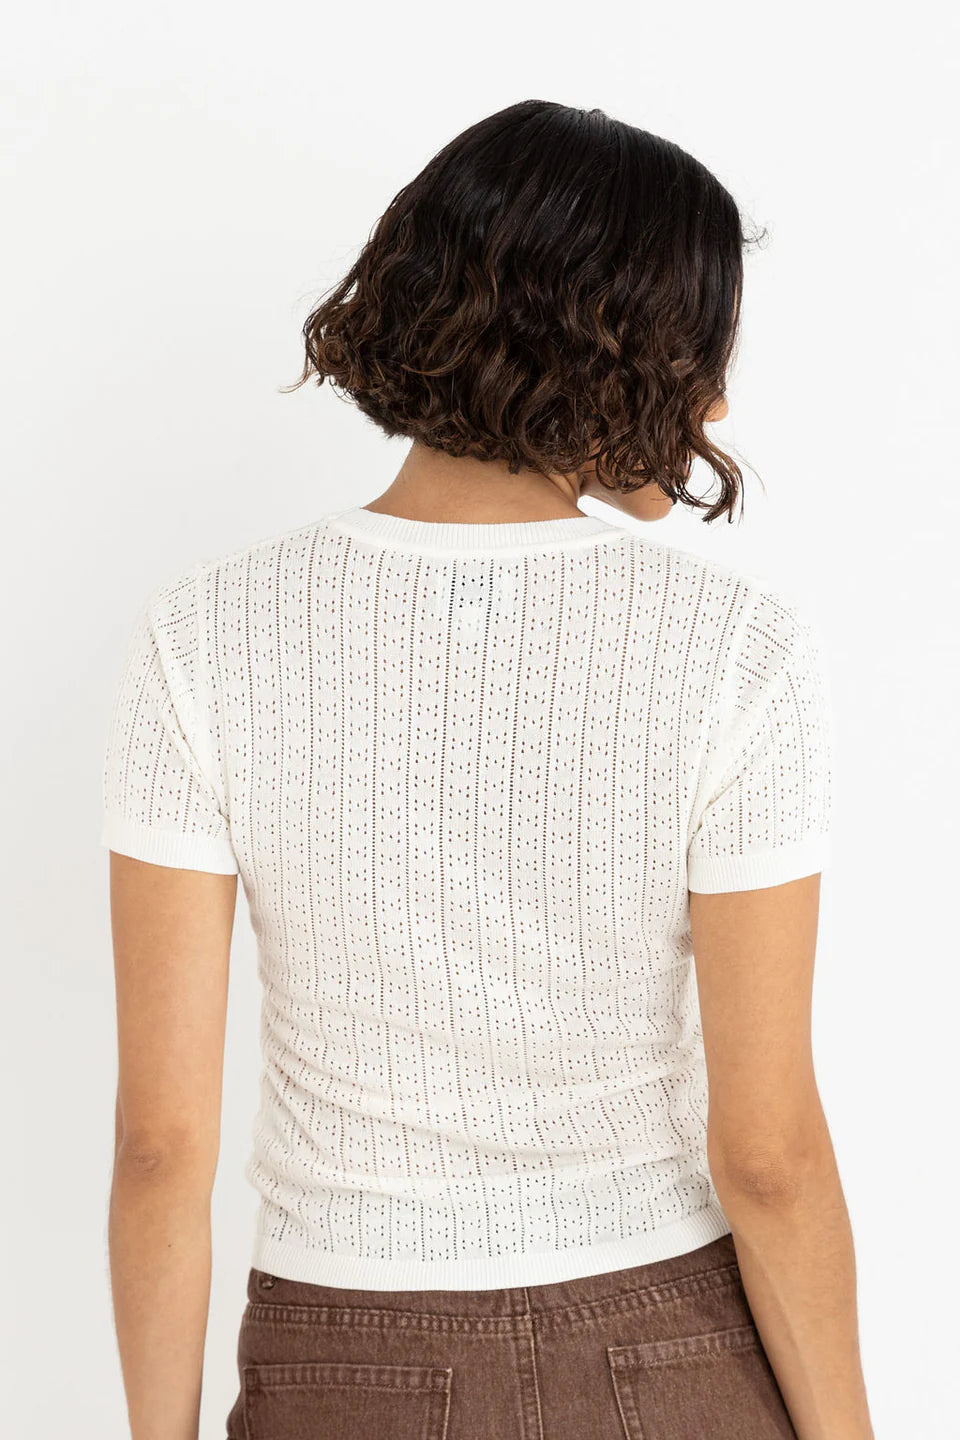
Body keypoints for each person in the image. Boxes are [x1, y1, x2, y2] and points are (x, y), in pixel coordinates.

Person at [100, 100, 874, 1440]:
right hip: (667, 1350)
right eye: (701, 350)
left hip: (343, 1357)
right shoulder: (733, 648)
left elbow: (160, 1149)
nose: (717, 402)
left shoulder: (205, 635)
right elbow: (769, 1156)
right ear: (611, 344)